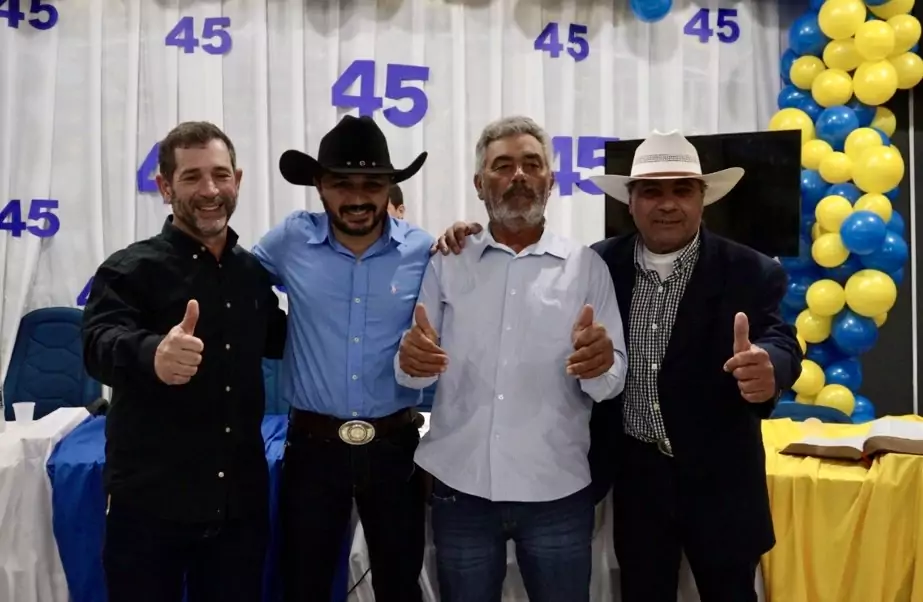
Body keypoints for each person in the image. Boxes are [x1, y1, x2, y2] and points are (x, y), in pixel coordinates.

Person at [435, 130, 803, 602]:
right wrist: (466, 236)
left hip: (722, 484)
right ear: (630, 202)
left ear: (703, 199)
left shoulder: (751, 269)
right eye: (651, 191)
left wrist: (771, 367)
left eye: (682, 190)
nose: (666, 204)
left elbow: (779, 337)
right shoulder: (599, 263)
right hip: (637, 482)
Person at [396, 116, 628, 602]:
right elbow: (412, 371)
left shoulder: (587, 267)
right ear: (479, 184)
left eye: (532, 164)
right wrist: (410, 361)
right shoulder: (447, 261)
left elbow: (610, 382)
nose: (518, 175)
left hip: (556, 491)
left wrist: (600, 364)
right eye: (502, 166)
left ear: (551, 180)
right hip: (461, 488)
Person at [81, 121, 287, 602]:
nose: (209, 190)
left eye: (220, 174)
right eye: (192, 176)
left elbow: (286, 340)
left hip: (239, 506)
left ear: (238, 179)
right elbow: (97, 342)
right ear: (164, 186)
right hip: (149, 508)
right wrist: (152, 354)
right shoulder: (130, 268)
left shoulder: (252, 274)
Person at [252, 115, 432, 602]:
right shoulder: (290, 240)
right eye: (341, 183)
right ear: (319, 186)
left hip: (395, 448)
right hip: (312, 450)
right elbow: (233, 281)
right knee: (303, 586)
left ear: (390, 187)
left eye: (372, 184)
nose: (357, 197)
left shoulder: (423, 250)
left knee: (400, 586)